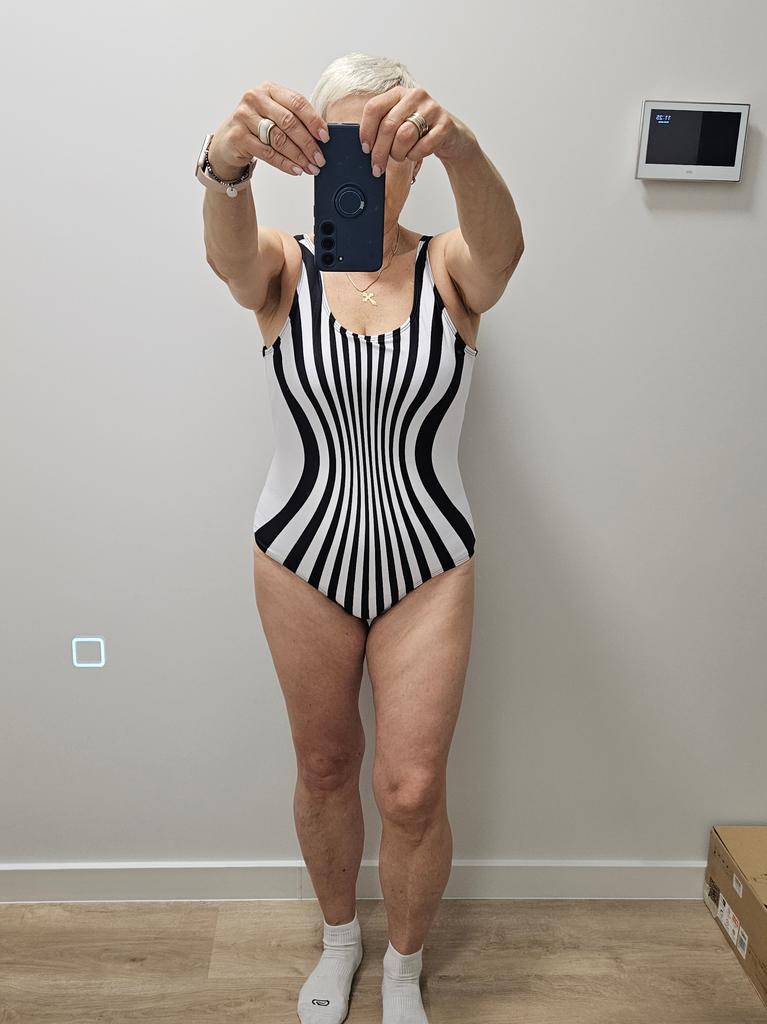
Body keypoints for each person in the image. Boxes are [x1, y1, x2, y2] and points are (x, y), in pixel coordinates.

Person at [201, 51, 524, 1024]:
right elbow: (227, 260)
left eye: (390, 143)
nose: (369, 163)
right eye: (347, 140)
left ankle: (404, 968)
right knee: (325, 768)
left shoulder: (450, 267)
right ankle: (341, 940)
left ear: (415, 157)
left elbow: (504, 253)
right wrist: (225, 163)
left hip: (428, 562)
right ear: (313, 151)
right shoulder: (283, 264)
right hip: (299, 558)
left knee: (412, 789)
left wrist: (461, 144)